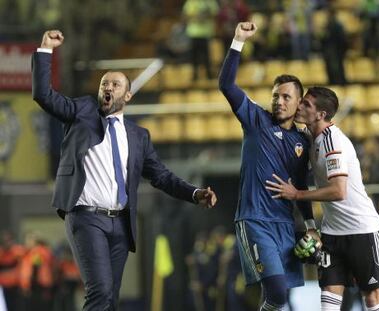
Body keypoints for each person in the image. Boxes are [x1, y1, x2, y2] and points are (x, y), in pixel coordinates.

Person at [32, 30, 217, 311]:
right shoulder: (81, 111)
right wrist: (46, 49)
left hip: (120, 224)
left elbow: (161, 176)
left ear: (128, 95)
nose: (108, 87)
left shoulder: (138, 136)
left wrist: (194, 193)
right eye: (104, 83)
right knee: (100, 291)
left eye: (116, 84)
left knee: (110, 299)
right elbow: (44, 95)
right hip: (86, 217)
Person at [218, 21, 319, 311]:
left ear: (299, 103)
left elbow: (301, 186)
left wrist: (311, 226)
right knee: (276, 292)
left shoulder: (301, 141)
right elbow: (226, 85)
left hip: (285, 225)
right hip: (255, 220)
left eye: (286, 96)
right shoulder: (256, 120)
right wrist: (238, 40)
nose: (278, 101)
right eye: (275, 95)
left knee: (279, 298)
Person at [266, 86, 379, 311]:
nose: (300, 106)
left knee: (372, 298)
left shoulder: (333, 141)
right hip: (332, 233)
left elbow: (338, 191)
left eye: (307, 105)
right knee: (329, 301)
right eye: (301, 102)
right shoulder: (309, 138)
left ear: (321, 115)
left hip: (361, 230)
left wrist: (297, 194)